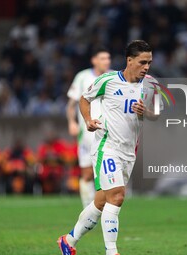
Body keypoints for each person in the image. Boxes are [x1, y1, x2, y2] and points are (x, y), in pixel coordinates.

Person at [57, 40, 163, 255]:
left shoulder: (151, 84)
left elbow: (157, 114)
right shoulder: (107, 80)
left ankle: (68, 241)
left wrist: (146, 113)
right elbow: (84, 99)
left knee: (101, 202)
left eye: (149, 62)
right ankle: (112, 251)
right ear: (130, 60)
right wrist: (87, 120)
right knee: (117, 196)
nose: (147, 67)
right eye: (143, 62)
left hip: (129, 152)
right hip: (107, 147)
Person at [66, 47, 111, 208]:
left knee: (105, 173)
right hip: (86, 133)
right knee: (87, 173)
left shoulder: (113, 77)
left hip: (108, 133)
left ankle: (100, 208)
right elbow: (71, 104)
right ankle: (88, 208)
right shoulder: (83, 77)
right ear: (94, 60)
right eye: (103, 58)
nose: (107, 61)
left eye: (108, 58)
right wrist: (72, 122)